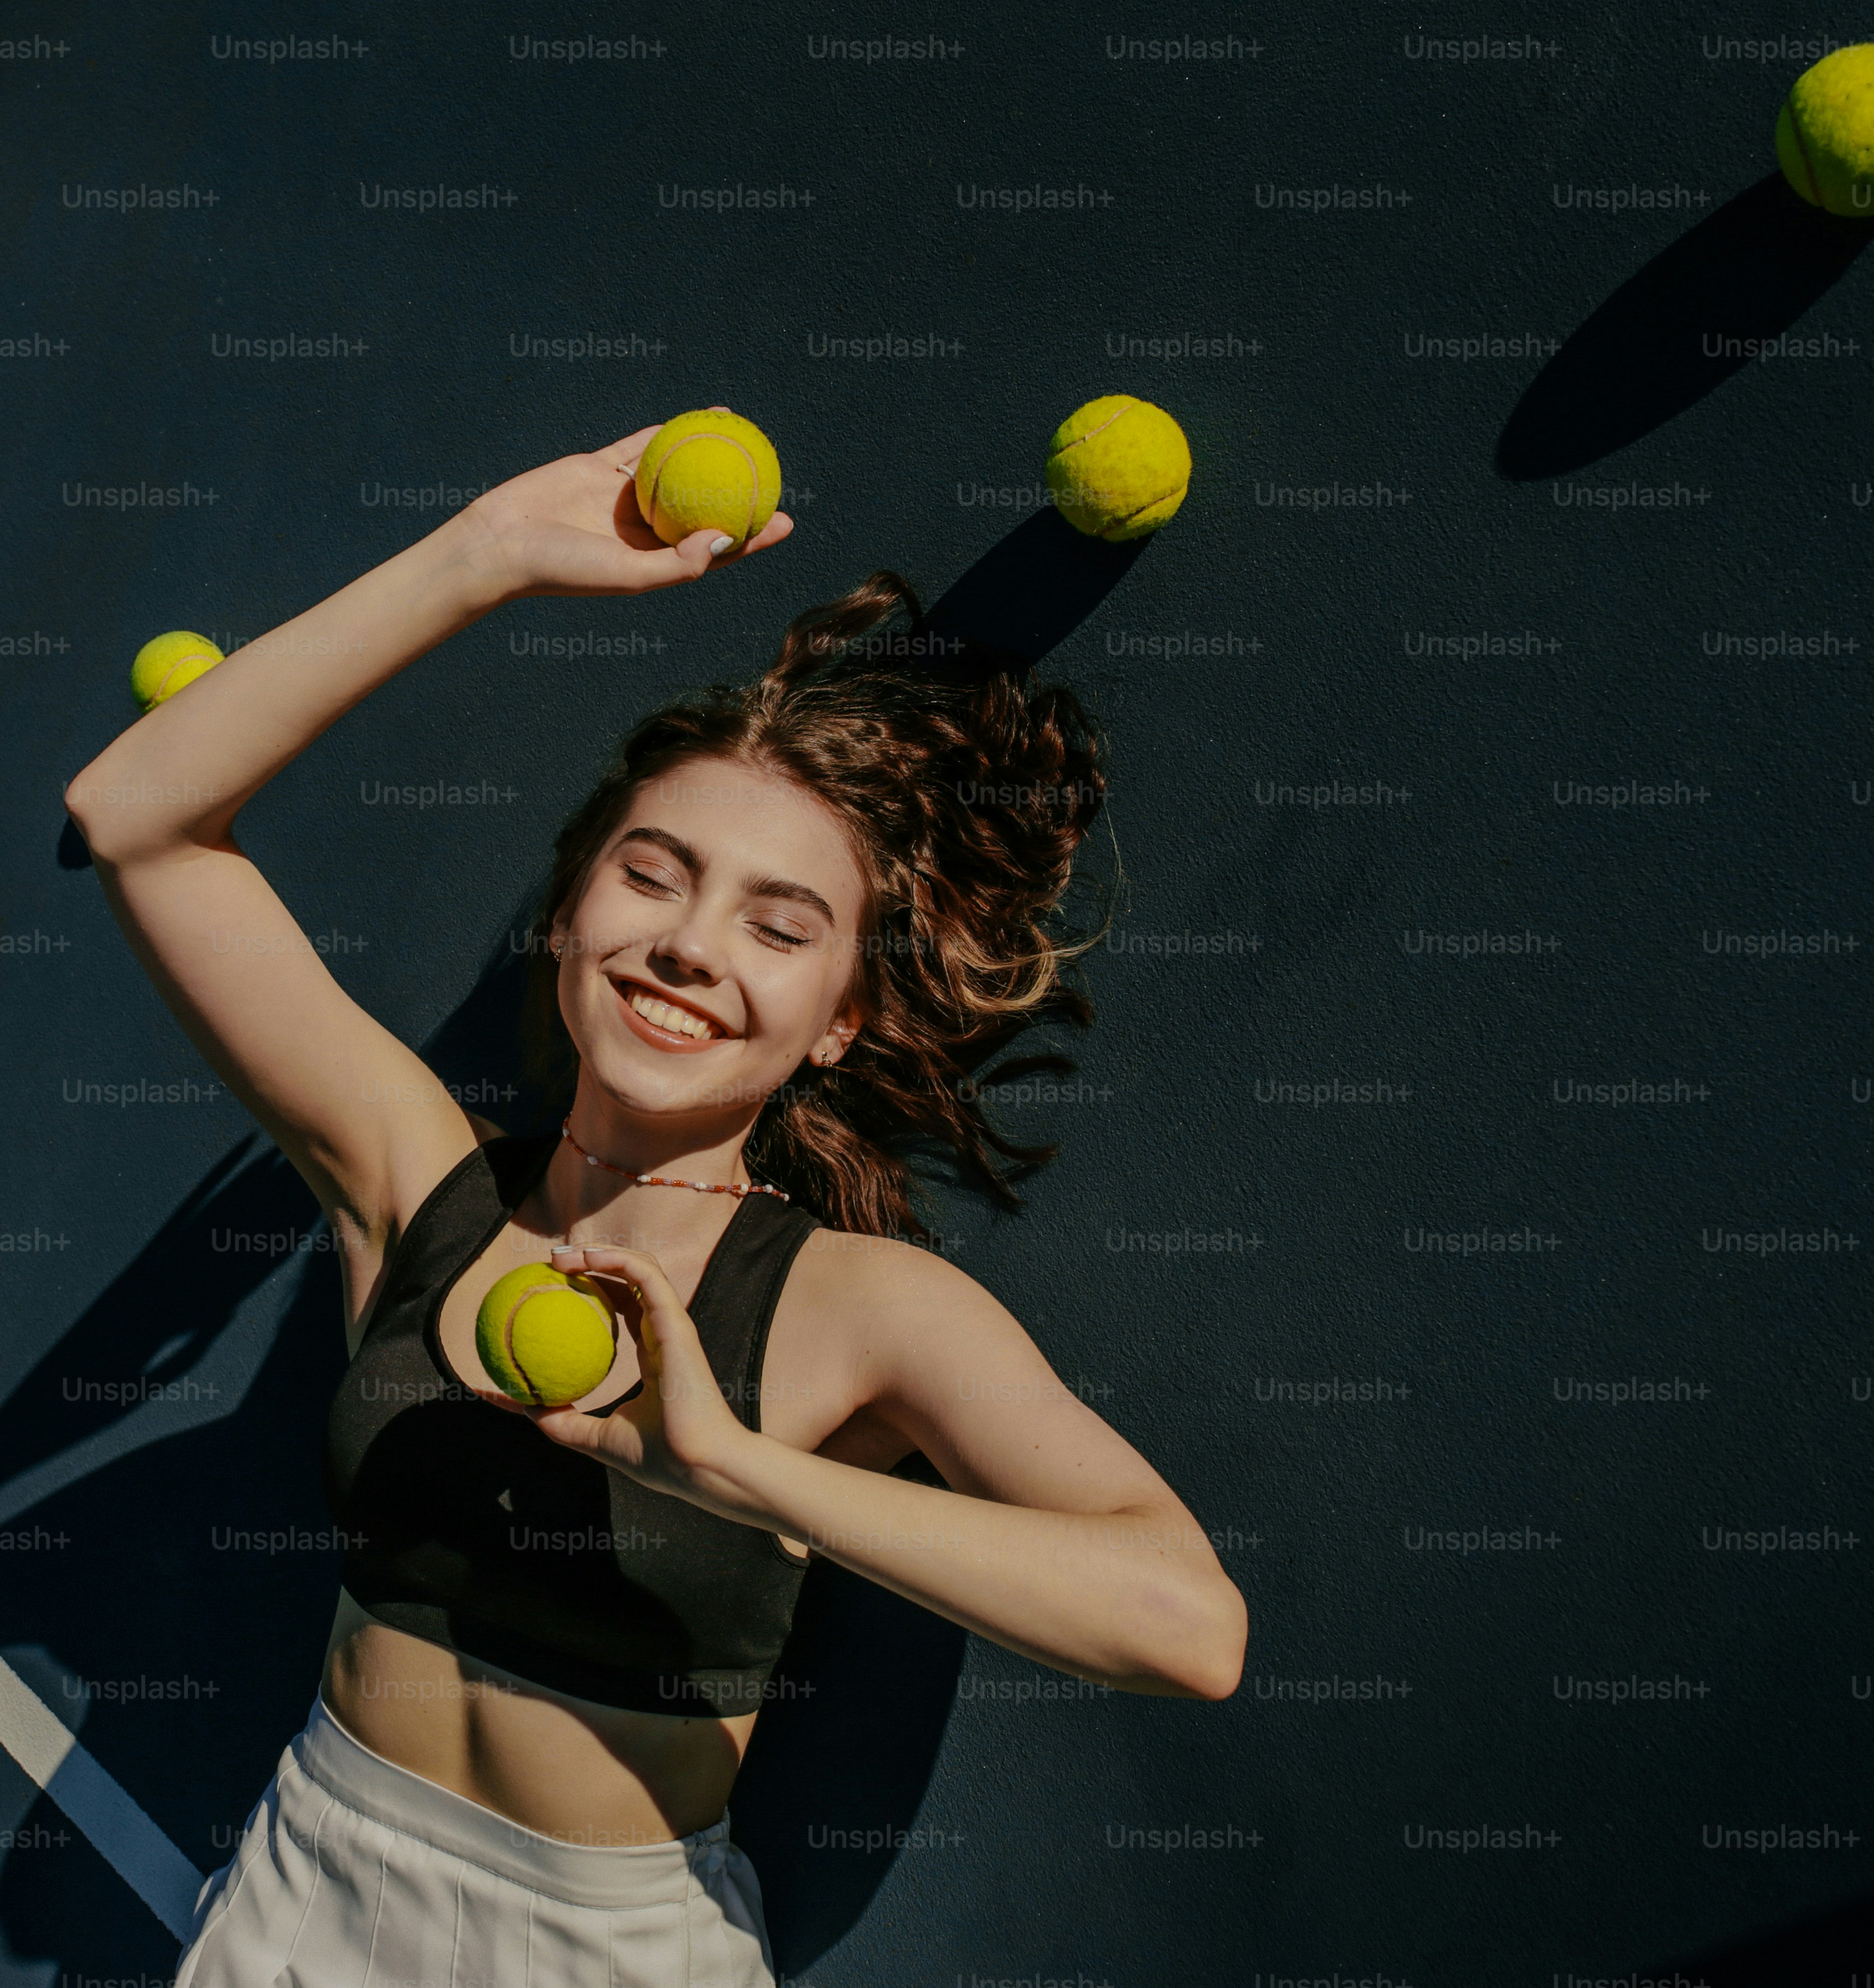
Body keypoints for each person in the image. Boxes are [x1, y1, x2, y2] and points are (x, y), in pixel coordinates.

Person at [66, 420, 1248, 1988]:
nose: (691, 944)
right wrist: (481, 550)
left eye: (779, 922)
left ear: (836, 1017)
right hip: (304, 1900)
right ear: (567, 911)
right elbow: (135, 812)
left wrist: (733, 1465)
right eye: (651, 872)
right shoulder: (416, 1182)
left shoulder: (858, 1306)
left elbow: (1186, 1622)